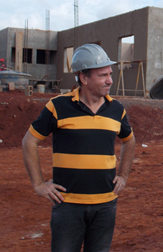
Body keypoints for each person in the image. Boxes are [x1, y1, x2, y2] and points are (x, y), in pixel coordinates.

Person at [22, 43, 135, 252]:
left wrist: (124, 175)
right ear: (83, 78)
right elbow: (29, 141)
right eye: (103, 75)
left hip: (105, 205)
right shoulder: (57, 106)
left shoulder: (116, 109)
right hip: (68, 205)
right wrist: (38, 184)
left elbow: (129, 140)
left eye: (110, 74)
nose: (110, 80)